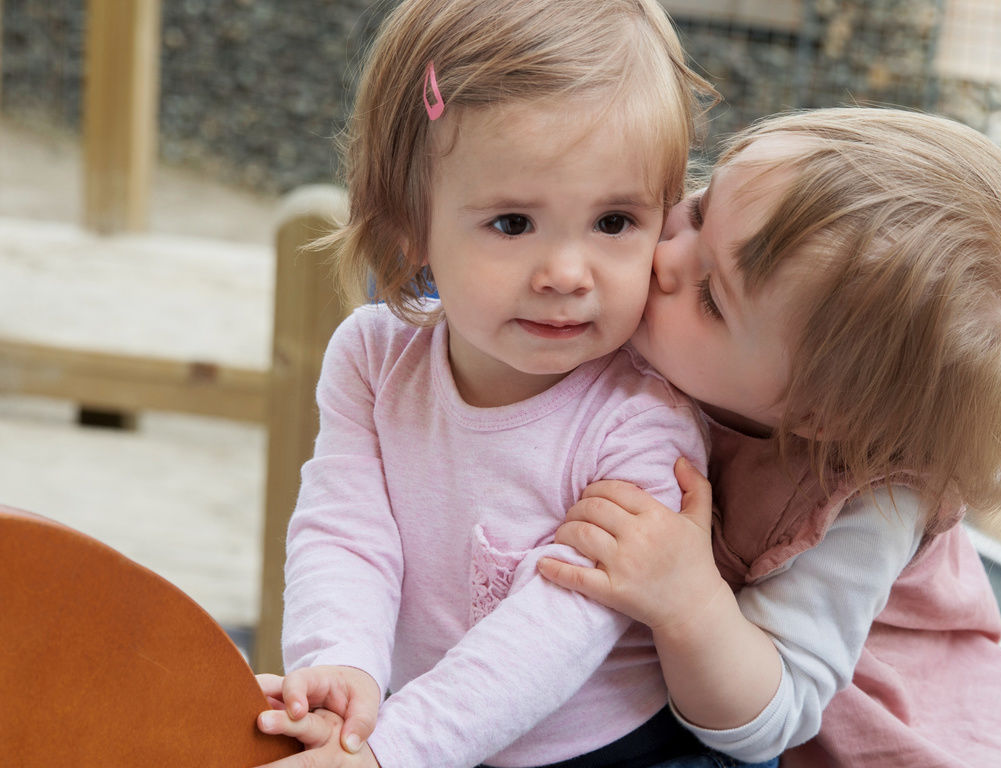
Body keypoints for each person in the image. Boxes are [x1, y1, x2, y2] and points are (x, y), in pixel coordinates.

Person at [255, 1, 762, 767]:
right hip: (419, 726)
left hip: (606, 752)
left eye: (615, 222)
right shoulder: (373, 357)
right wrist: (339, 665)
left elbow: (551, 632)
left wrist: (391, 751)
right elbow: (346, 528)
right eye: (514, 224)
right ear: (409, 225)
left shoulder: (642, 422)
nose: (566, 274)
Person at [536, 107, 1001, 767]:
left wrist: (689, 605)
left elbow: (770, 719)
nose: (661, 257)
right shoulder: (694, 352)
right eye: (698, 209)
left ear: (820, 414)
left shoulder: (868, 510)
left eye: (714, 297)